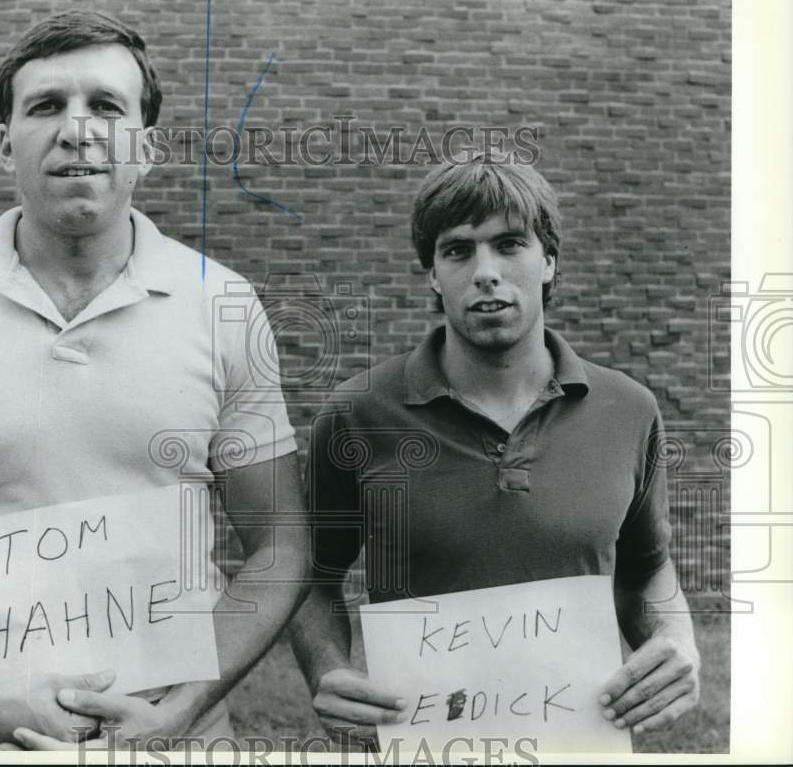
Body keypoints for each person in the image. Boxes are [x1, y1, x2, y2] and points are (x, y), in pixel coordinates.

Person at [0, 11, 307, 750]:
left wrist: (182, 707)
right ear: (5, 144)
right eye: (45, 106)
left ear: (147, 147)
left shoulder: (222, 302)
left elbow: (282, 543)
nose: (77, 128)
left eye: (106, 105)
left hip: (175, 735)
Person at [289, 155, 700, 749]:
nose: (485, 272)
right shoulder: (357, 414)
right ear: (433, 274)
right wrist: (327, 669)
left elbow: (647, 568)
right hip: (425, 745)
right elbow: (315, 576)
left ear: (549, 261)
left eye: (509, 244)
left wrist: (677, 639)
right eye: (458, 250)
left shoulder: (629, 411)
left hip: (579, 745)